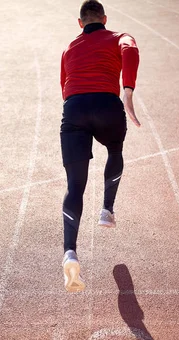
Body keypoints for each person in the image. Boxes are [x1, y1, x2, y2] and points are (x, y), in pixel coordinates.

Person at [60, 0, 141, 292]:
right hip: (107, 105)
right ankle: (107, 210)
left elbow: (64, 88)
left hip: (74, 109)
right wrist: (128, 92)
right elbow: (130, 50)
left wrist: (77, 116)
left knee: (75, 186)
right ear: (104, 19)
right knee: (115, 149)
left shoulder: (69, 48)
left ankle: (70, 251)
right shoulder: (119, 37)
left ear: (80, 23)